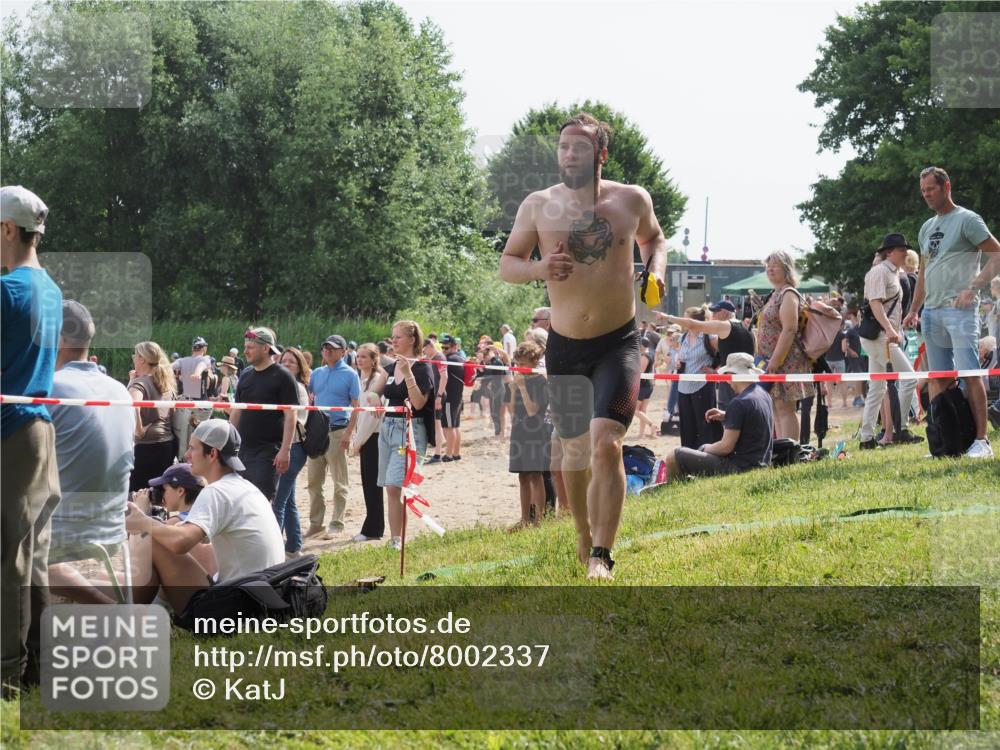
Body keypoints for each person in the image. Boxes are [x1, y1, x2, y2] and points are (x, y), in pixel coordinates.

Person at [499, 111, 668, 579]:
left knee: (606, 444)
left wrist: (655, 271)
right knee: (571, 450)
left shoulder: (631, 200)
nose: (569, 154)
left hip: (618, 344)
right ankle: (580, 530)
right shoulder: (538, 205)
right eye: (563, 147)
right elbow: (509, 263)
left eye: (579, 147)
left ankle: (602, 554)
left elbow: (655, 239)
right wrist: (539, 269)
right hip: (566, 347)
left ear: (601, 154)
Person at [124, 420, 285, 619]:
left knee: (153, 541)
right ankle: (138, 613)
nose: (187, 455)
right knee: (162, 537)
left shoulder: (216, 491)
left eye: (192, 448)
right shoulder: (244, 487)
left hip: (242, 606)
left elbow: (179, 543)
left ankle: (127, 618)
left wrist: (142, 521)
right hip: (263, 597)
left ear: (212, 454)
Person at [1, 185, 62, 693]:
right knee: (34, 557)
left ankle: (6, 676)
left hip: (12, 436)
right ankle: (40, 666)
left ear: (7, 230)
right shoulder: (51, 289)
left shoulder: (8, 292)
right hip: (41, 429)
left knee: (7, 561)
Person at [903, 166, 1000, 458]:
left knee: (970, 373)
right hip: (931, 312)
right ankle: (944, 443)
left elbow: (996, 253)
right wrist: (914, 309)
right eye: (923, 191)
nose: (926, 195)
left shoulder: (968, 220)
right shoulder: (926, 227)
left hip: (960, 311)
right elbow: (923, 273)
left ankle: (981, 441)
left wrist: (973, 287)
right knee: (938, 377)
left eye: (930, 189)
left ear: (946, 187)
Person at [44, 301, 134, 607]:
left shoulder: (50, 388)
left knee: (18, 548)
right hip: (111, 529)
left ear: (58, 340)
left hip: (65, 530)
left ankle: (103, 606)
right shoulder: (119, 390)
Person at [662, 353, 774, 481]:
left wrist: (704, 448)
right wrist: (727, 416)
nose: (727, 381)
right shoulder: (763, 395)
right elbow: (753, 420)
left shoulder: (739, 403)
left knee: (674, 455)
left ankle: (673, 489)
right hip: (760, 464)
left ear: (731, 375)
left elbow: (726, 447)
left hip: (740, 469)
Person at [375, 321, 435, 550]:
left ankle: (398, 540)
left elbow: (419, 403)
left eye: (398, 337)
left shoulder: (422, 368)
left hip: (409, 430)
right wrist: (371, 397)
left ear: (412, 340)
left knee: (395, 485)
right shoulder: (390, 368)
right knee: (389, 487)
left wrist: (408, 374)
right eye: (393, 337)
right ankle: (395, 539)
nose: (394, 341)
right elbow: (375, 391)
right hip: (387, 428)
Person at [859, 235, 922, 449]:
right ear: (889, 252)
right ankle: (899, 428)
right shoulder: (879, 272)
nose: (905, 252)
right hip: (881, 337)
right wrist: (889, 329)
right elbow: (875, 305)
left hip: (886, 336)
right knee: (910, 378)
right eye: (901, 249)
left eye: (905, 249)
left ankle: (866, 438)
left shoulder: (894, 272)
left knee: (877, 387)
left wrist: (898, 326)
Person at [230, 327, 297, 501]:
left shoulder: (283, 376)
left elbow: (291, 415)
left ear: (266, 348)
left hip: (268, 453)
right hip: (242, 451)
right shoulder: (245, 376)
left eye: (250, 347)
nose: (245, 351)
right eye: (245, 347)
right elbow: (237, 411)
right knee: (240, 503)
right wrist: (228, 443)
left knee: (261, 504)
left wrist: (285, 450)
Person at [756, 250, 816, 440]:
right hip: (770, 360)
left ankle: (789, 453)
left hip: (785, 360)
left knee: (785, 408)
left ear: (786, 269)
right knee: (775, 406)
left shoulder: (789, 293)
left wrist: (775, 360)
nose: (770, 269)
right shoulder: (776, 293)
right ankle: (780, 450)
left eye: (775, 265)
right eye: (768, 265)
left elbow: (789, 329)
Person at [306, 334, 361, 536]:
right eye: (325, 347)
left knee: (339, 481)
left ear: (343, 352)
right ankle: (316, 523)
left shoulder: (350, 375)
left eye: (333, 348)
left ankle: (337, 524)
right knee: (313, 482)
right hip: (316, 432)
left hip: (338, 430)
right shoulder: (316, 374)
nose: (327, 350)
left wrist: (348, 433)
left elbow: (356, 407)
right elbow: (310, 401)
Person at [658, 299, 755, 411]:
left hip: (731, 381)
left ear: (724, 312)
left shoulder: (724, 326)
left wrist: (668, 317)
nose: (712, 316)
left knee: (730, 415)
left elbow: (693, 325)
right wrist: (716, 371)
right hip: (748, 378)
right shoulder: (746, 327)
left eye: (715, 312)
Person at [272, 347, 311, 558]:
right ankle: (294, 545)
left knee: (278, 500)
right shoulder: (282, 386)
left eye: (291, 362)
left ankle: (273, 551)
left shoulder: (298, 389)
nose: (286, 365)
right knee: (288, 500)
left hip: (293, 448)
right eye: (284, 361)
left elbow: (294, 419)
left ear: (299, 367)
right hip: (286, 447)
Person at [506, 341, 549, 529]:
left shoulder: (541, 382)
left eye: (523, 364)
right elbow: (513, 411)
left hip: (535, 431)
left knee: (535, 475)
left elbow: (533, 410)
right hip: (519, 430)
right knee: (522, 476)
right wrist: (514, 389)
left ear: (534, 362)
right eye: (517, 364)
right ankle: (525, 519)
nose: (519, 368)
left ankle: (539, 520)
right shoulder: (518, 381)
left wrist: (522, 388)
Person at [127, 341, 178, 492]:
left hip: (146, 447)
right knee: (160, 494)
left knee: (139, 493)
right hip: (167, 444)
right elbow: (172, 410)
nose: (134, 359)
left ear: (142, 359)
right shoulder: (166, 382)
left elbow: (131, 405)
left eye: (135, 356)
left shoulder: (139, 384)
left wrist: (139, 430)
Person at [672, 307, 723, 449]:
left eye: (685, 317)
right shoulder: (683, 337)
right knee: (687, 426)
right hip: (683, 387)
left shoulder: (709, 336)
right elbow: (681, 358)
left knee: (705, 424)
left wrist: (715, 371)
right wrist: (677, 363)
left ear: (694, 321)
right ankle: (688, 456)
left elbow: (726, 353)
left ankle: (708, 456)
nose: (682, 320)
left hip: (702, 386)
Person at [350, 343, 387, 542]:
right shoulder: (362, 379)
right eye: (359, 356)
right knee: (369, 484)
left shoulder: (377, 380)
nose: (360, 360)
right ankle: (373, 525)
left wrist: (358, 442)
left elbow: (370, 418)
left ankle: (373, 528)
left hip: (373, 437)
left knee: (372, 484)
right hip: (367, 436)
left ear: (374, 359)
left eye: (364, 356)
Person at [171, 336, 214, 461]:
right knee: (199, 438)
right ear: (204, 348)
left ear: (192, 348)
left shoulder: (183, 360)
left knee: (183, 435)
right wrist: (197, 373)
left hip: (186, 404)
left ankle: (183, 459)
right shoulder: (206, 359)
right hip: (200, 406)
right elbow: (201, 364)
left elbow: (170, 366)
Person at [437, 334, 466, 461]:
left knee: (448, 427)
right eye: (442, 348)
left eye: (446, 348)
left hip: (450, 398)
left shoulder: (451, 360)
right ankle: (455, 453)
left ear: (454, 347)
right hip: (457, 397)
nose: (443, 350)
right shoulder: (459, 358)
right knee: (454, 426)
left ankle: (449, 454)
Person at [423, 338, 448, 464]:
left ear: (429, 346)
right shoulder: (434, 358)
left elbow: (444, 376)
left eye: (425, 349)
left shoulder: (439, 357)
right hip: (435, 395)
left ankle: (438, 454)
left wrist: (438, 396)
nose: (424, 352)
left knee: (437, 425)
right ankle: (437, 451)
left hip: (438, 395)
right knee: (436, 425)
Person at [634, 335, 659, 438]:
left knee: (634, 410)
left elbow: (641, 371)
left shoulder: (645, 356)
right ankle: (641, 433)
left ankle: (651, 424)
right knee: (642, 410)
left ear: (641, 345)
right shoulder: (650, 354)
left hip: (643, 385)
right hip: (648, 384)